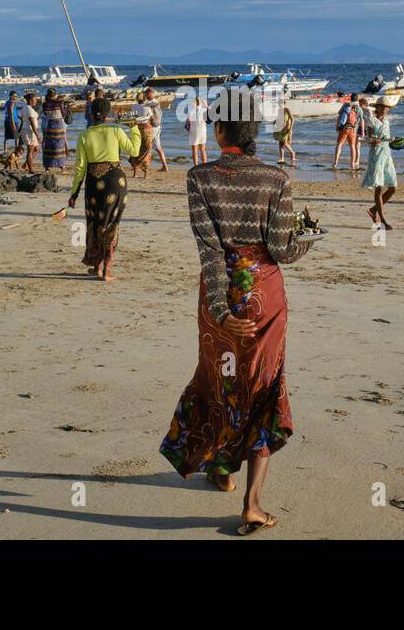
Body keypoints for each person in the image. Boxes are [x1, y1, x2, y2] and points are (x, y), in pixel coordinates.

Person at [159, 101, 313, 536]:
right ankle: (252, 504)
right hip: (264, 295)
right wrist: (310, 241)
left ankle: (221, 469)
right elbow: (283, 249)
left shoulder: (198, 177)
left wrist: (222, 311)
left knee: (220, 380)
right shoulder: (276, 178)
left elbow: (208, 251)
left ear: (223, 130)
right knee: (263, 386)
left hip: (218, 294)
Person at [67, 97, 142, 282]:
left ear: (91, 114)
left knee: (95, 223)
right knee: (111, 224)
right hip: (116, 182)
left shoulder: (84, 135)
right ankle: (107, 269)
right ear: (108, 113)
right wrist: (134, 128)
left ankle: (97, 266)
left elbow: (80, 167)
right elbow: (134, 151)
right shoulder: (116, 129)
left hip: (94, 183)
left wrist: (74, 192)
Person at [362, 99, 397, 228]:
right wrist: (373, 140)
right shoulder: (372, 121)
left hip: (387, 155)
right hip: (376, 155)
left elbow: (388, 139)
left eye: (386, 107)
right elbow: (370, 137)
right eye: (381, 106)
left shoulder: (387, 121)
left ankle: (373, 210)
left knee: (393, 187)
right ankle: (382, 220)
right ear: (377, 107)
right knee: (379, 187)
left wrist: (397, 142)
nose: (384, 109)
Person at [40, 88, 72, 172]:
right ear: (55, 95)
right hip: (58, 125)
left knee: (49, 145)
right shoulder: (59, 103)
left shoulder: (44, 104)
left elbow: (45, 114)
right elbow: (64, 114)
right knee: (59, 145)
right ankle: (61, 166)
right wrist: (66, 107)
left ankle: (47, 166)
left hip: (49, 125)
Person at [144, 88, 169, 172]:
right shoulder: (154, 102)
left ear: (150, 94)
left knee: (146, 146)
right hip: (158, 127)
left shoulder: (152, 103)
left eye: (146, 94)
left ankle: (144, 165)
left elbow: (147, 111)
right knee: (158, 148)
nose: (145, 96)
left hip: (153, 127)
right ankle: (165, 166)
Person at [332, 94, 360, 169]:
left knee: (339, 144)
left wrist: (337, 126)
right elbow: (359, 119)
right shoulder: (358, 107)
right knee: (352, 146)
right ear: (357, 99)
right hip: (353, 128)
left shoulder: (346, 105)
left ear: (350, 98)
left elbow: (339, 116)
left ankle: (335, 163)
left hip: (344, 127)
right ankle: (352, 164)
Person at [129, 99, 154, 177]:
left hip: (136, 128)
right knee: (147, 150)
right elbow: (152, 119)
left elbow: (131, 118)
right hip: (146, 129)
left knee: (136, 148)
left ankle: (135, 173)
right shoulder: (147, 108)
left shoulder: (133, 107)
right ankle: (145, 174)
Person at [16, 93, 41, 171]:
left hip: (27, 130)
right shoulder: (29, 109)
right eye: (35, 99)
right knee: (30, 149)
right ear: (30, 100)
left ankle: (26, 164)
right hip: (29, 131)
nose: (36, 101)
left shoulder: (25, 107)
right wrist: (38, 135)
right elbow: (32, 123)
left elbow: (22, 118)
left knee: (37, 150)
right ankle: (30, 168)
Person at [186, 94, 209, 164]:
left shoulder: (191, 111)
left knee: (194, 150)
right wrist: (206, 105)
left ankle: (196, 165)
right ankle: (204, 164)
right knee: (203, 150)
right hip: (203, 131)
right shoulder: (204, 110)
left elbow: (187, 122)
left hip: (194, 131)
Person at [273, 101, 296, 167]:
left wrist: (291, 128)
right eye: (278, 104)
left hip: (286, 128)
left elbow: (292, 119)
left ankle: (292, 153)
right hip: (280, 128)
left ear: (284, 104)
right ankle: (282, 158)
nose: (279, 105)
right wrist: (274, 123)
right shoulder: (279, 110)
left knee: (285, 143)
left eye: (280, 104)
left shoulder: (287, 109)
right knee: (280, 144)